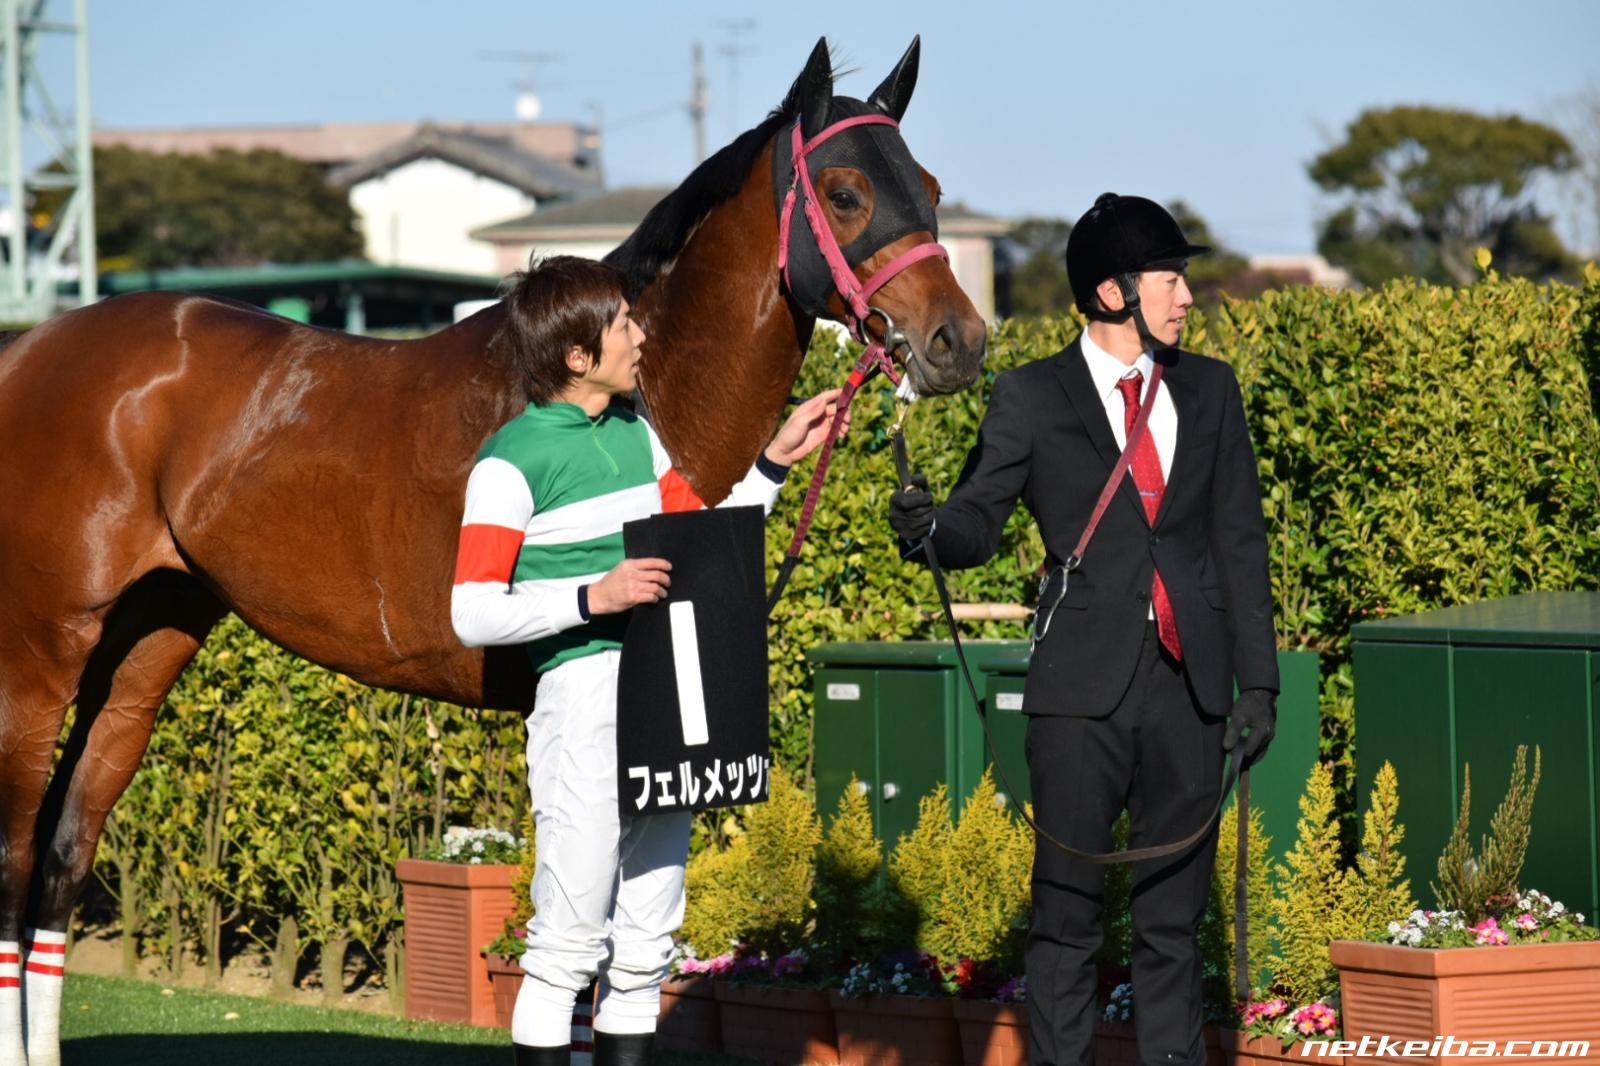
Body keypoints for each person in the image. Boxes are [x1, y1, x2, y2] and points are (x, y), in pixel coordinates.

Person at [888, 194, 1277, 1066]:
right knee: (1065, 919)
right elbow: (978, 523)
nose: (1187, 296)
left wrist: (1259, 684)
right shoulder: (1030, 396)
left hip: (1192, 688)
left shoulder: (1211, 388)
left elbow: (1239, 543)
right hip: (1076, 694)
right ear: (1112, 292)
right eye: (1170, 279)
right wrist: (928, 528)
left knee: (1174, 923)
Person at [451, 255, 844, 1066]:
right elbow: (471, 612)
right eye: (624, 324)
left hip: (668, 692)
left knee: (646, 940)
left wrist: (774, 461)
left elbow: (699, 539)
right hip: (583, 699)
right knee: (566, 942)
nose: (640, 336)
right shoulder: (509, 461)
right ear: (577, 356)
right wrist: (593, 597)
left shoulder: (637, 434)